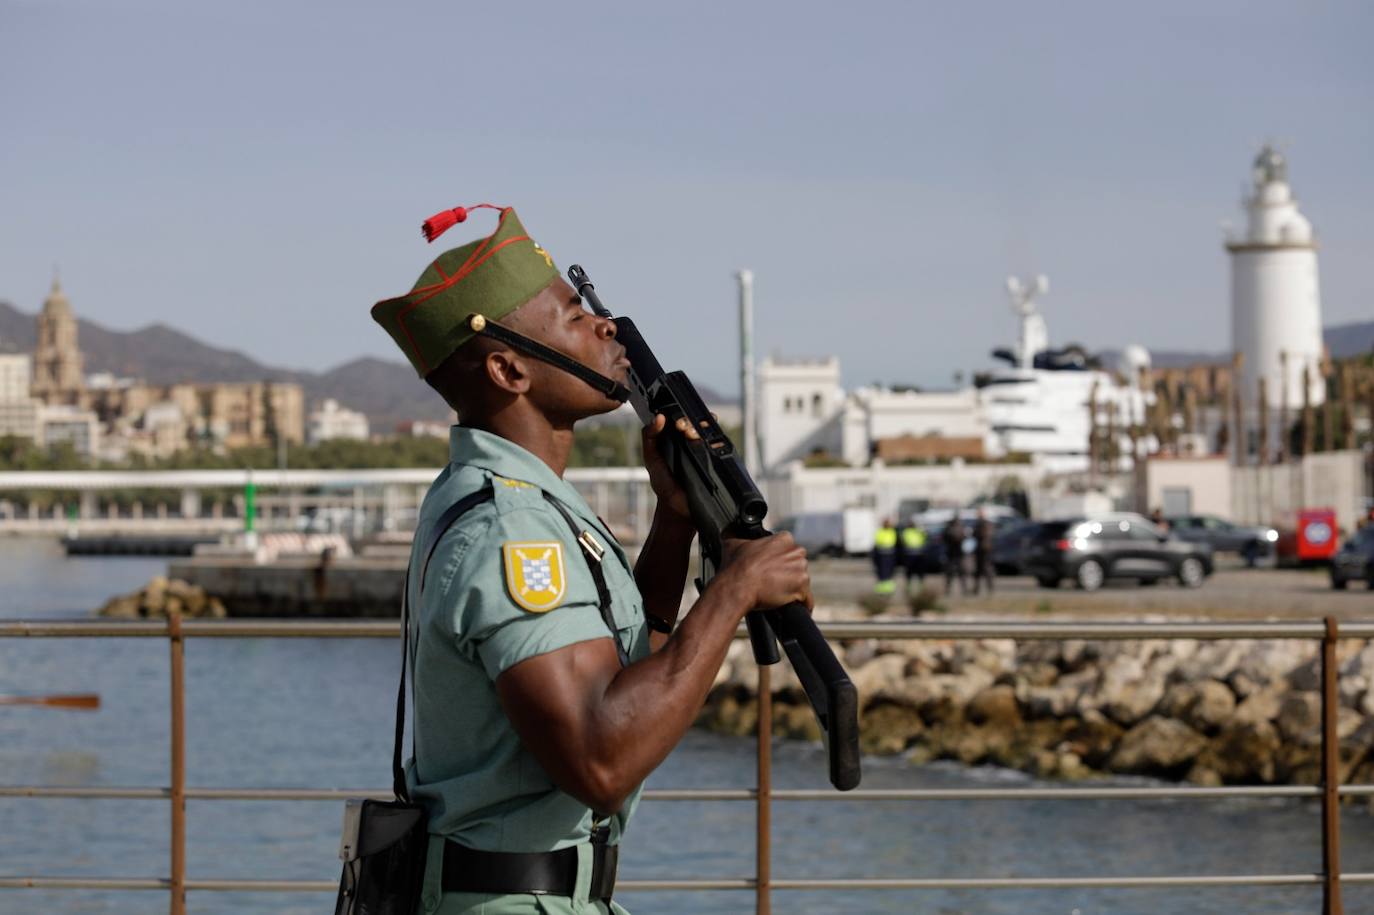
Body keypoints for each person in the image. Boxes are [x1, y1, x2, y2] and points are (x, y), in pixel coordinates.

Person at [371, 203, 813, 914]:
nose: (607, 326)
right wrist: (731, 593)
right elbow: (600, 758)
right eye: (575, 317)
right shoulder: (513, 528)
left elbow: (624, 679)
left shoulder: (515, 501)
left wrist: (673, 524)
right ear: (509, 368)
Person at [941, 516, 969, 596]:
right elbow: (965, 538)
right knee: (960, 573)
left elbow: (944, 538)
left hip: (952, 553)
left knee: (950, 573)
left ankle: (948, 590)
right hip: (958, 553)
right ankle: (964, 589)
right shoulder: (961, 528)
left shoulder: (949, 529)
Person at [971, 508, 996, 595]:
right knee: (985, 568)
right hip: (987, 548)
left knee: (982, 569)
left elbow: (976, 534)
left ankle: (982, 588)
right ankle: (987, 588)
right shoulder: (989, 524)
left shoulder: (980, 524)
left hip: (982, 548)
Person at [898, 522, 927, 593]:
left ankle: (921, 586)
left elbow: (924, 538)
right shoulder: (906, 532)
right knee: (909, 572)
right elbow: (903, 540)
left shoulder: (918, 531)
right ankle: (909, 587)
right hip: (910, 554)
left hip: (919, 554)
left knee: (920, 572)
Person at [872, 517, 899, 594]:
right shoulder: (880, 531)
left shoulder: (892, 531)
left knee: (889, 571)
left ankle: (888, 588)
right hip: (881, 554)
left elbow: (895, 542)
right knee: (881, 571)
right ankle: (882, 588)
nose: (887, 524)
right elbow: (878, 542)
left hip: (890, 554)